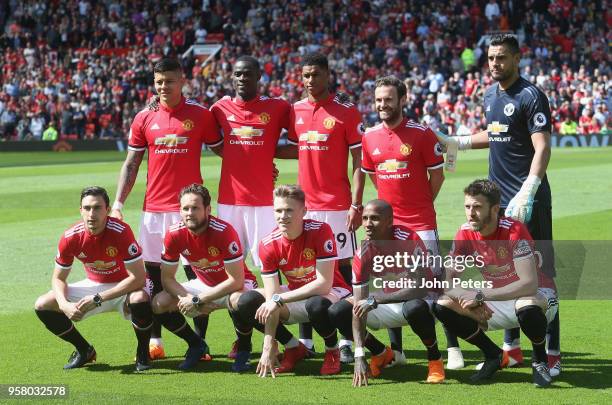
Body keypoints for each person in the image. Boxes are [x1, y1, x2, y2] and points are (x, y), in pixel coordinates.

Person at [436, 34, 560, 375]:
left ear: (517, 59)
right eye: (491, 58)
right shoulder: (489, 94)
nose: (495, 64)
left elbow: (542, 147)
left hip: (529, 200)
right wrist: (458, 141)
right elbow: (495, 133)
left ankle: (552, 350)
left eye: (502, 57)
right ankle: (512, 347)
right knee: (502, 267)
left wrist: (529, 188)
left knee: (540, 274)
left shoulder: (531, 95)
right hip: (497, 200)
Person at [111, 57, 223, 360]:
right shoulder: (144, 117)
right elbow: (131, 163)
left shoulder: (201, 115)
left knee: (199, 274)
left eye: (169, 81)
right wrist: (118, 204)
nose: (163, 87)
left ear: (182, 81)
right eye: (159, 81)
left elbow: (225, 150)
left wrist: (262, 166)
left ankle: (201, 342)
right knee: (155, 277)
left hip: (190, 210)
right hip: (154, 211)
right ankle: (156, 341)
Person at [360, 75, 457, 368]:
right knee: (391, 281)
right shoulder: (369, 136)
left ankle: (451, 349)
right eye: (378, 100)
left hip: (421, 222)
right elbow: (373, 176)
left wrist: (421, 203)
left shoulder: (422, 133)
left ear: (403, 100)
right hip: (389, 226)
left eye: (388, 99)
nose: (383, 105)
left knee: (435, 284)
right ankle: (397, 351)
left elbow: (437, 175)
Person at [433, 179, 558, 387]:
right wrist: (469, 300)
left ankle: (539, 361)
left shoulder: (514, 231)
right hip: (497, 300)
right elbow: (448, 284)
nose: (471, 213)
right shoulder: (464, 232)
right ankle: (493, 355)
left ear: (494, 209)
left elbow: (529, 284)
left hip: (538, 298)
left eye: (477, 207)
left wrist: (480, 295)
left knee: (526, 304)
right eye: (467, 207)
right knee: (443, 304)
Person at [281, 52, 365, 362]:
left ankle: (346, 338)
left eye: (316, 75)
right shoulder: (296, 111)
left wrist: (356, 204)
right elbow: (295, 147)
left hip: (337, 206)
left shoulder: (346, 112)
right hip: (306, 206)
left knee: (343, 270)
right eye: (305, 76)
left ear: (328, 75)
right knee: (300, 269)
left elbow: (359, 161)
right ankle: (307, 339)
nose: (310, 81)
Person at [210, 55, 290, 359]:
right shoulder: (218, 108)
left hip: (264, 204)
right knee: (233, 270)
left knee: (271, 268)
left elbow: (302, 134)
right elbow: (209, 138)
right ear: (232, 77)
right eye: (237, 74)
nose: (242, 78)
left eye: (248, 74)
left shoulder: (278, 107)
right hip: (229, 201)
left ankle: (281, 338)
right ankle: (242, 339)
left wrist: (266, 156)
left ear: (259, 77)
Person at [233, 184, 352, 377]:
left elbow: (324, 284)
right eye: (278, 210)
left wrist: (279, 299)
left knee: (316, 304)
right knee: (247, 302)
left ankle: (332, 350)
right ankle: (293, 347)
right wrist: (268, 344)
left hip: (332, 292)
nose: (283, 216)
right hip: (295, 294)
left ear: (304, 211)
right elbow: (272, 298)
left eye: (289, 210)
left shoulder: (320, 231)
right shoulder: (267, 244)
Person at [34, 186, 153, 372]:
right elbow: (58, 279)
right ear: (80, 210)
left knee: (140, 299)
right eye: (87, 208)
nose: (92, 214)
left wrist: (99, 298)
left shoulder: (121, 231)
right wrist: (64, 304)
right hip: (94, 285)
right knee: (43, 304)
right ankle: (84, 350)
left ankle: (143, 352)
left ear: (107, 210)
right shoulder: (70, 237)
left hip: (125, 286)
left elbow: (138, 278)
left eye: (97, 208)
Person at [328, 199, 446, 386]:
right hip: (385, 302)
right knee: (338, 311)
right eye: (365, 218)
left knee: (414, 307)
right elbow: (360, 302)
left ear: (390, 221)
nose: (367, 224)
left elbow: (420, 287)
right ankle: (381, 353)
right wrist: (359, 355)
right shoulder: (362, 251)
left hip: (421, 300)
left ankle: (435, 359)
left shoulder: (409, 239)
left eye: (374, 218)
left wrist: (376, 298)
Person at [151, 184, 258, 371]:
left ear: (208, 209)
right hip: (203, 285)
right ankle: (196, 344)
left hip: (235, 285)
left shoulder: (224, 231)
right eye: (185, 208)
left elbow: (236, 280)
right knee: (159, 303)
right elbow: (167, 278)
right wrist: (187, 298)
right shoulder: (174, 233)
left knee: (239, 301)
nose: (189, 213)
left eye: (195, 208)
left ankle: (244, 349)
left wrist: (199, 299)